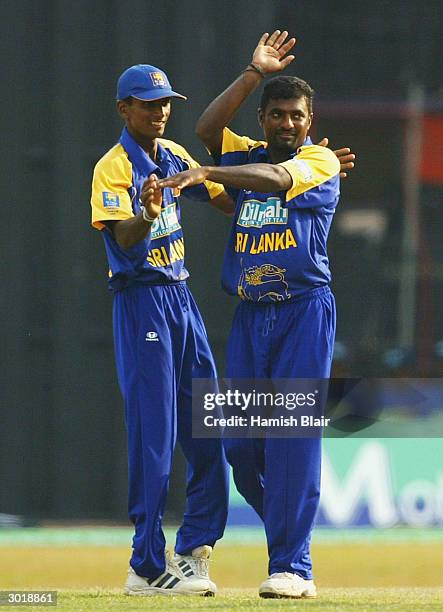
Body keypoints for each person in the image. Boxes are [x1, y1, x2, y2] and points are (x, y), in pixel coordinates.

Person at [156, 31, 355, 599]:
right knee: (240, 447)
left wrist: (210, 174)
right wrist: (251, 72)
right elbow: (205, 132)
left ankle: (293, 567)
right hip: (252, 316)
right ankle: (294, 542)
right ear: (264, 118)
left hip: (302, 315)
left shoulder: (319, 162)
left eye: (296, 115)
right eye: (276, 115)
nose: (287, 124)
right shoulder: (246, 155)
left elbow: (272, 180)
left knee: (292, 440)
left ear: (310, 119)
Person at [90, 64, 232, 597]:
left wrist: (285, 183)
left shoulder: (173, 154)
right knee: (156, 436)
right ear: (124, 109)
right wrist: (147, 215)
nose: (161, 110)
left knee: (206, 426)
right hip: (142, 301)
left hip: (182, 295)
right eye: (149, 103)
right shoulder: (113, 167)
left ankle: (194, 551)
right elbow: (123, 241)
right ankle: (145, 567)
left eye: (166, 101)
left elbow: (222, 198)